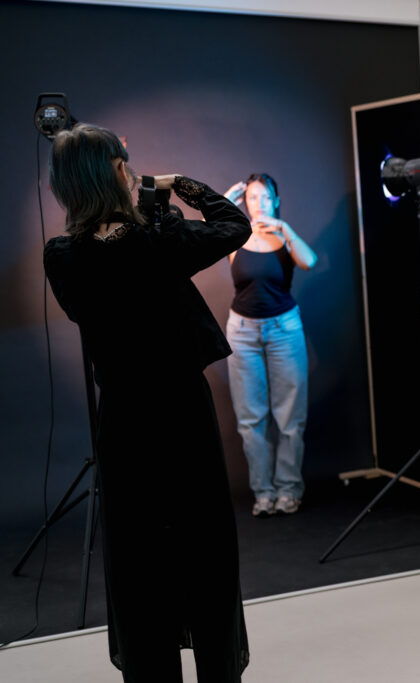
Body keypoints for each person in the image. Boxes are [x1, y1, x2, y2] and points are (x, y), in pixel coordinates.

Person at [43, 124, 250, 681]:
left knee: (138, 559)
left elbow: (101, 289)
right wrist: (179, 185)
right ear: (116, 171)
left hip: (125, 424)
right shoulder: (163, 242)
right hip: (182, 415)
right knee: (203, 548)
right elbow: (235, 225)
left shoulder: (62, 258)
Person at [223, 174, 317, 517]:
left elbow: (310, 261)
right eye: (251, 197)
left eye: (265, 197)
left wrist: (285, 229)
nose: (258, 203)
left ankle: (288, 489)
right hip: (242, 332)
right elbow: (203, 233)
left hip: (284, 330)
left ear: (275, 200)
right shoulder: (235, 234)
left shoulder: (282, 234)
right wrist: (224, 198)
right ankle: (263, 492)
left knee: (290, 417)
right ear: (244, 202)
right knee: (250, 419)